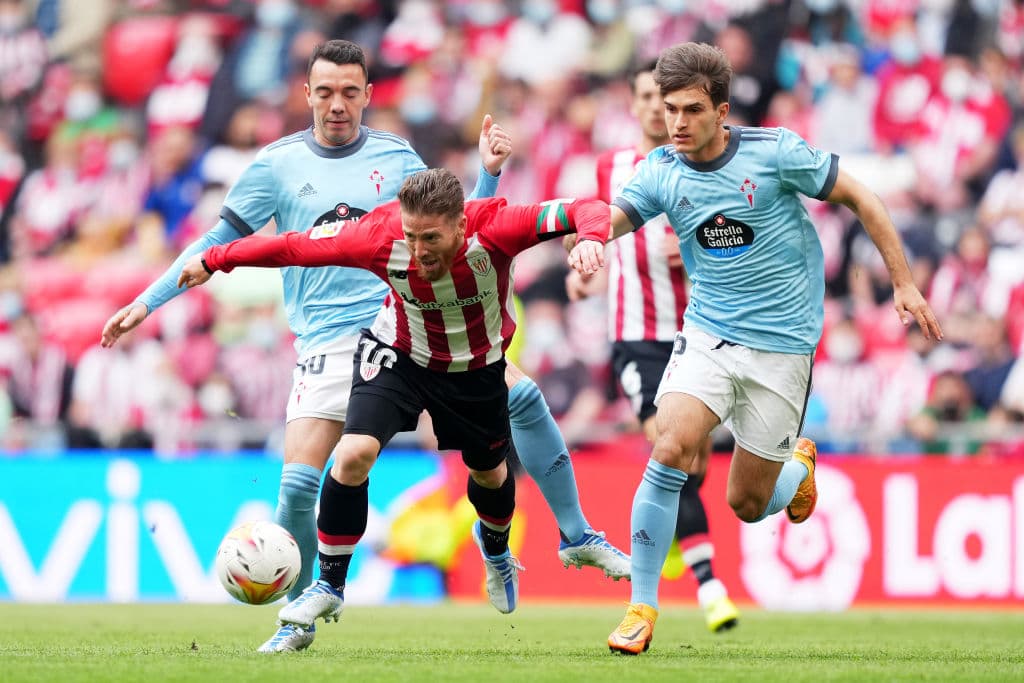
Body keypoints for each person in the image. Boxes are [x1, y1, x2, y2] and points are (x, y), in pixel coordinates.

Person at [100, 40, 627, 654]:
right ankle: (298, 614)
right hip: (324, 339)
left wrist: (491, 173)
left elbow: (465, 220)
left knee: (523, 401)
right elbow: (238, 242)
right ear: (307, 95)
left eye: (350, 92)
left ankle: (575, 534)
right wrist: (149, 299)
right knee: (300, 485)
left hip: (401, 321)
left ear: (368, 95)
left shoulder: (397, 156)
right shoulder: (274, 165)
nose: (338, 104)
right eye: (325, 92)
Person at [601, 42, 943, 655]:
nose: (676, 122)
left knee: (747, 502)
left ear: (722, 111)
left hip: (782, 351)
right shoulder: (661, 169)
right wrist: (577, 238)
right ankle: (641, 607)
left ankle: (795, 472)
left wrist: (903, 282)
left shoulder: (776, 152)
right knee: (670, 445)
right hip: (706, 334)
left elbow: (864, 198)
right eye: (669, 109)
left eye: (690, 110)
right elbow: (611, 217)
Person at [176, 167, 611, 630]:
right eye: (411, 236)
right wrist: (216, 258)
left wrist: (590, 238)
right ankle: (329, 586)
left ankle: (497, 551)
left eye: (430, 238)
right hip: (398, 355)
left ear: (461, 225)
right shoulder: (378, 236)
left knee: (490, 474)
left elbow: (589, 207)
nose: (418, 251)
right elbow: (295, 247)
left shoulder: (499, 225)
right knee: (352, 454)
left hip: (472, 369)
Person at [565, 59, 738, 634]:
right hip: (637, 337)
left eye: (659, 99)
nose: (652, 110)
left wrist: (700, 252)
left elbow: (737, 238)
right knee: (670, 450)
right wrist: (584, 269)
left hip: (701, 334)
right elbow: (597, 225)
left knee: (696, 463)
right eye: (644, 98)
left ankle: (676, 541)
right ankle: (708, 583)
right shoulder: (613, 166)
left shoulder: (707, 164)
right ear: (640, 105)